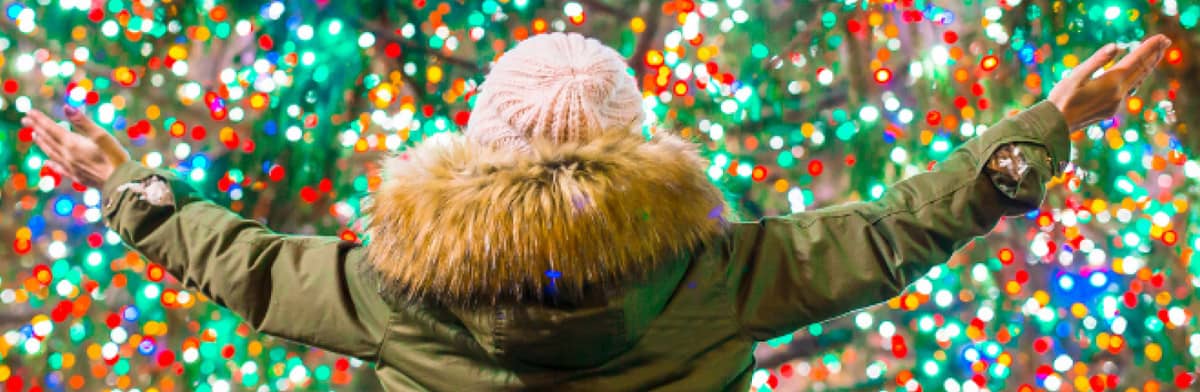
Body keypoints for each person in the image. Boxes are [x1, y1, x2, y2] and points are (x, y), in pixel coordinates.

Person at [25, 32, 1170, 390]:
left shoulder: (391, 280)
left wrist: (130, 182)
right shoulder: (717, 266)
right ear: (635, 148)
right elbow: (895, 228)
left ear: (476, 146)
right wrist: (1040, 122)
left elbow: (245, 264)